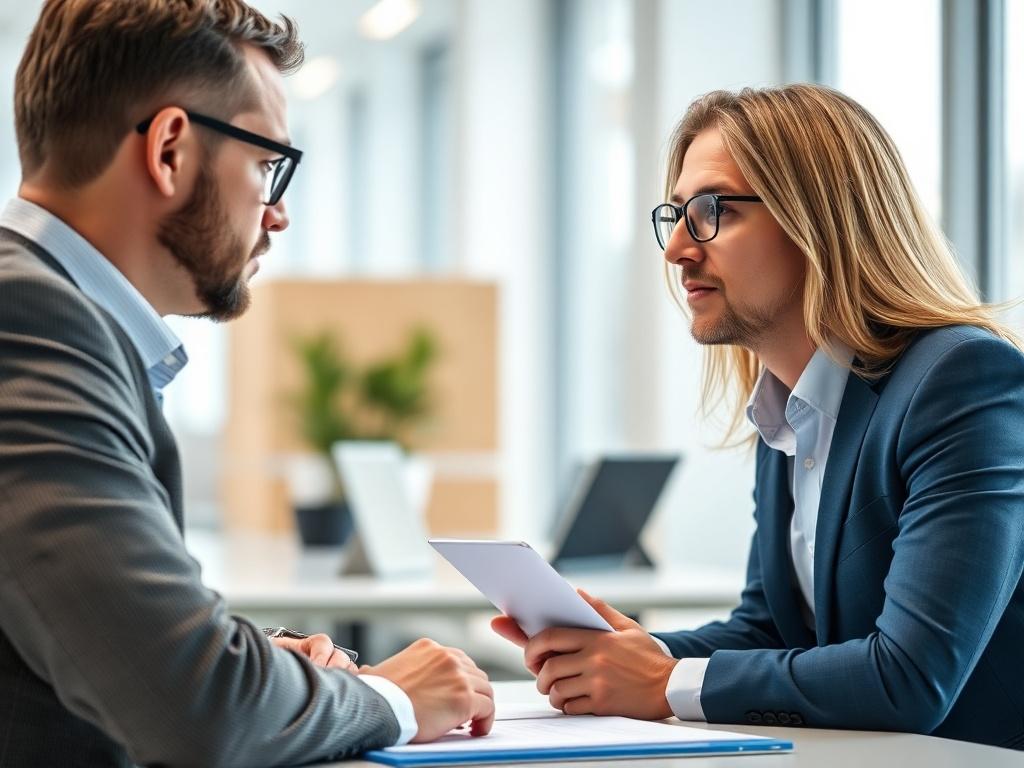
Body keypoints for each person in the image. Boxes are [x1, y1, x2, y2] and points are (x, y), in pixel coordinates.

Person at [0, 1, 493, 765]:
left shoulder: (51, 315)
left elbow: (87, 634)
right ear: (170, 149)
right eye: (268, 165)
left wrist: (256, 658)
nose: (279, 213)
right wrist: (393, 699)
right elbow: (192, 707)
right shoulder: (27, 322)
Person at [492, 84, 1024, 749]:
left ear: (819, 219)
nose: (678, 249)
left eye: (712, 211)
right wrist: (627, 652)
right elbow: (772, 629)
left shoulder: (959, 380)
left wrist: (663, 681)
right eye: (677, 214)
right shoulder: (789, 405)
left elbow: (910, 676)